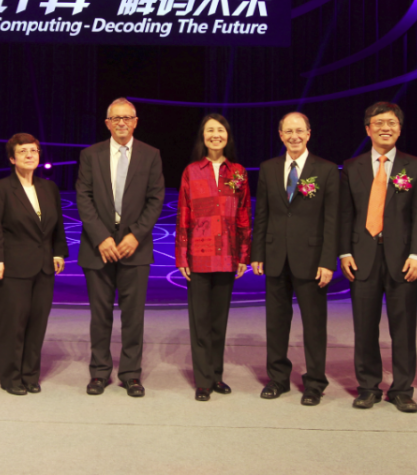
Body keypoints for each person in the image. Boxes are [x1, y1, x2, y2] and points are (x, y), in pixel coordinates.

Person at [339, 102, 417, 412]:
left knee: (403, 328)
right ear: (368, 130)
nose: (384, 128)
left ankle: (403, 389)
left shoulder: (416, 166)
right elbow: (344, 214)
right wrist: (345, 251)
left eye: (391, 122)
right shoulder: (352, 167)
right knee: (364, 327)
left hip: (403, 259)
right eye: (378, 123)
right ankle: (367, 386)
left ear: (399, 129)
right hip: (362, 257)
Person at [76, 98, 164, 397]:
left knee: (133, 316)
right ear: (107, 123)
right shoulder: (91, 155)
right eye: (116, 118)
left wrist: (135, 235)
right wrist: (102, 237)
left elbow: (155, 200)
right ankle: (99, 373)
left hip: (134, 249)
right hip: (97, 247)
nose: (122, 123)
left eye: (127, 118)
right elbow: (84, 198)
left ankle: (131, 374)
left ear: (136, 121)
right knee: (100, 315)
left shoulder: (151, 155)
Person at [251, 112, 339, 406]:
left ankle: (315, 382)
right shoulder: (268, 168)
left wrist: (328, 261)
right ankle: (278, 379)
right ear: (280, 135)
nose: (294, 136)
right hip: (276, 257)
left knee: (314, 324)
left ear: (309, 133)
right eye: (288, 131)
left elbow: (331, 220)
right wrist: (258, 253)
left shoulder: (326, 170)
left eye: (299, 130)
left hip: (312, 260)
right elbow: (261, 213)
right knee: (275, 323)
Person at [0, 134, 67, 395]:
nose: (30, 155)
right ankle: (11, 378)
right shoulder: (0, 189)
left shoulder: (48, 187)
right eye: (23, 152)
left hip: (43, 267)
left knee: (37, 323)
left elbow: (57, 225)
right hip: (11, 268)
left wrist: (58, 253)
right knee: (12, 325)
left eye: (34, 150)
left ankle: (30, 375)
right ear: (12, 158)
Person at [175, 114, 251, 401]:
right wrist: (182, 257)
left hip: (229, 255)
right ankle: (203, 380)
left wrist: (245, 253)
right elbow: (183, 214)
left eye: (220, 130)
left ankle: (216, 375)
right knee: (200, 320)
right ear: (202, 137)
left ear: (228, 136)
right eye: (210, 130)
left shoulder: (239, 172)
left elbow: (244, 215)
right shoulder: (192, 171)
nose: (215, 135)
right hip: (199, 255)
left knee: (219, 320)